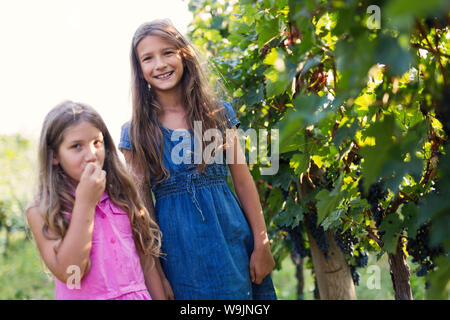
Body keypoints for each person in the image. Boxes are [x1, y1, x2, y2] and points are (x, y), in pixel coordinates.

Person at [118, 19, 277, 299]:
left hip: (231, 243)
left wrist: (262, 244)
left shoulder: (217, 114)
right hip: (179, 258)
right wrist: (156, 276)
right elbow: (142, 211)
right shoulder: (136, 133)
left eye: (167, 52)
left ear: (184, 55)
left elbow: (242, 180)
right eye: (148, 58)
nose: (160, 64)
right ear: (140, 71)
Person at [26, 101, 165, 300]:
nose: (91, 155)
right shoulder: (41, 210)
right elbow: (71, 272)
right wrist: (85, 203)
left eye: (96, 143)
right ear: (54, 155)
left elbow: (146, 263)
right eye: (76, 146)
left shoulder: (122, 195)